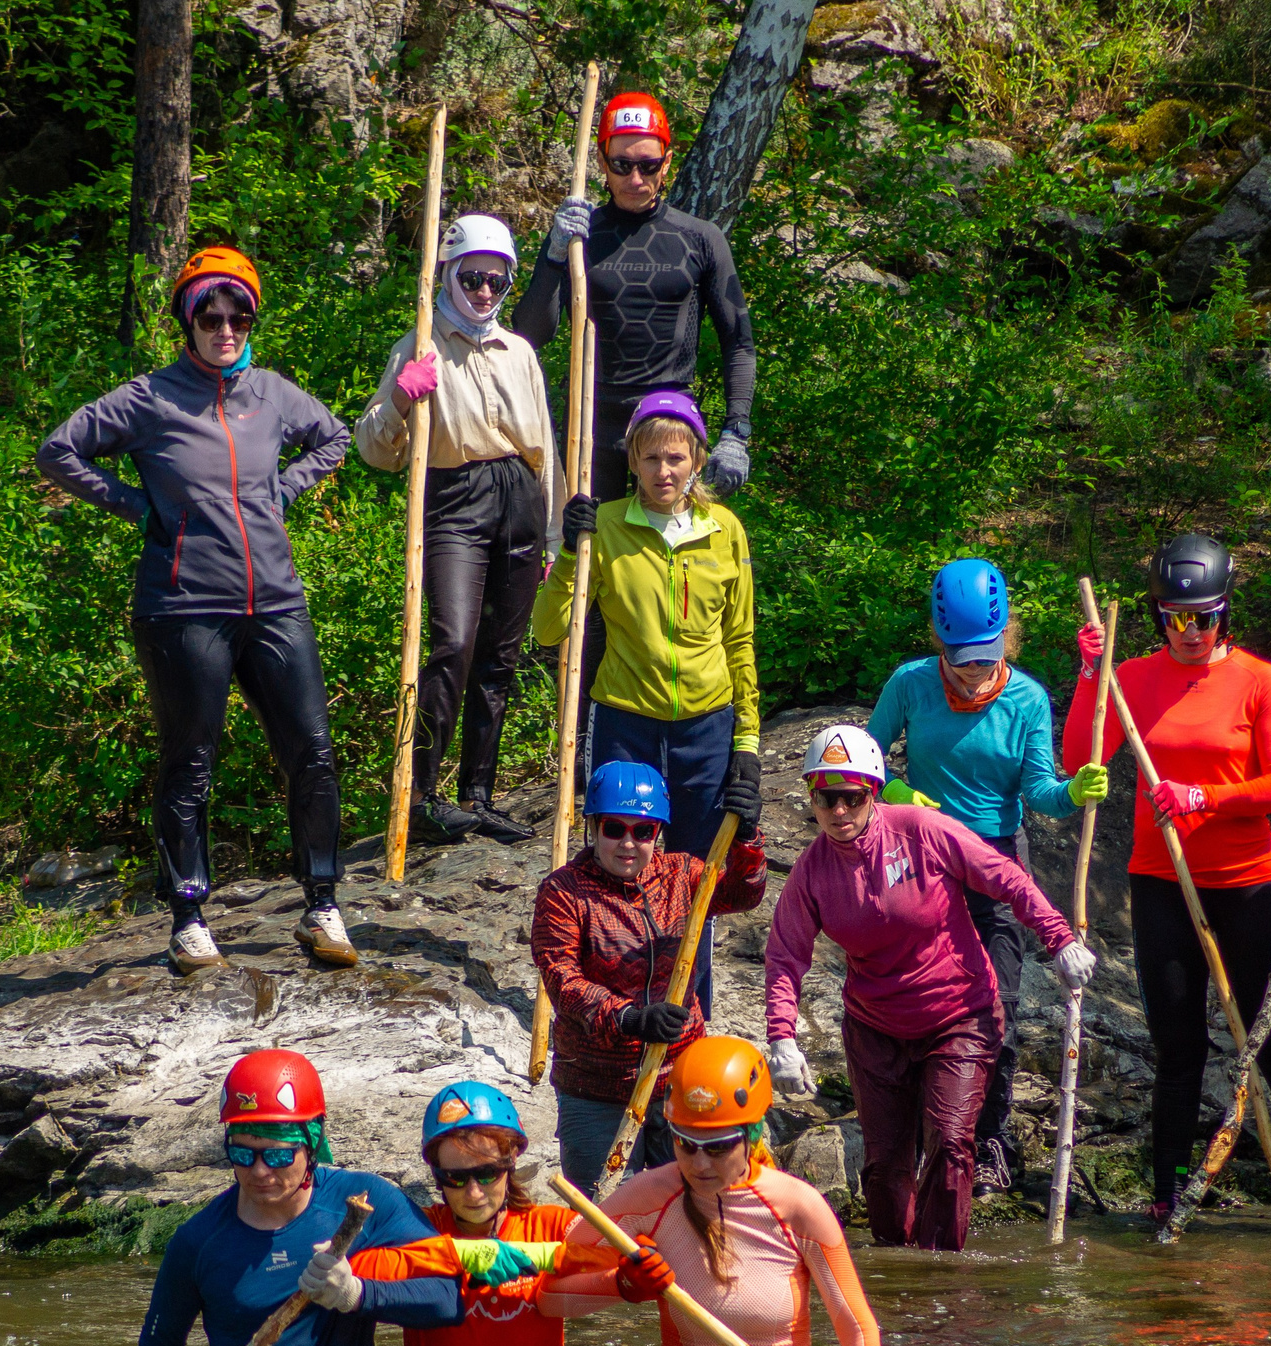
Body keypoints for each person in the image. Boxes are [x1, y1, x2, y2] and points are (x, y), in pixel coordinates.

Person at [38, 247, 355, 976]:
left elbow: (334, 437)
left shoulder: (273, 393)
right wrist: (135, 504)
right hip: (181, 606)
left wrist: (284, 489)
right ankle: (187, 915)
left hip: (275, 600)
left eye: (239, 314)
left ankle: (322, 904)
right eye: (210, 314)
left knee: (313, 754)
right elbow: (59, 449)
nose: (225, 327)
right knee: (191, 764)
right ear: (187, 319)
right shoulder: (149, 398)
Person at [1062, 535, 1271, 1224]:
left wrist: (1203, 798)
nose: (1190, 632)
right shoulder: (1132, 676)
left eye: (1205, 617)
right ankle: (1172, 1188)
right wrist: (1090, 677)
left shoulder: (1258, 680)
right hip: (1162, 882)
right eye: (1176, 618)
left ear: (1226, 612)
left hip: (1249, 882)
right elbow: (1079, 756)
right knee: (1179, 1047)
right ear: (1158, 617)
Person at [764, 725, 1094, 1250]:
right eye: (826, 798)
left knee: (949, 1144)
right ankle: (897, 1282)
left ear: (873, 793)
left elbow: (1006, 877)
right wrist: (781, 1037)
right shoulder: (811, 872)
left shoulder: (923, 830)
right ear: (813, 799)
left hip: (960, 1015)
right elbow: (785, 956)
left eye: (851, 797)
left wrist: (1059, 939)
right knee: (884, 1172)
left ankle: (939, 1278)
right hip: (875, 1029)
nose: (839, 811)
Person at [543, 1037, 887, 1346]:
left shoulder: (799, 1208)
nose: (699, 1163)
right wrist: (623, 1284)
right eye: (685, 1144)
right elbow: (548, 1298)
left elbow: (856, 1326)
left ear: (754, 1134)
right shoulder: (650, 1196)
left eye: (719, 1146)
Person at [867, 558, 1108, 1197]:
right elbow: (860, 761)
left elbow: (1039, 793)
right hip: (921, 858)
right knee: (922, 998)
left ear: (1008, 639)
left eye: (986, 657)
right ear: (937, 644)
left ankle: (988, 1138)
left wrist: (1073, 791)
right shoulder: (910, 685)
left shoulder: (1027, 697)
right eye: (962, 659)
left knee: (996, 1004)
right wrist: (894, 791)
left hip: (998, 860)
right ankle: (922, 1133)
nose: (975, 674)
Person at [129, 1049, 460, 1346]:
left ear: (314, 1142)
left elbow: (448, 1298)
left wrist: (358, 1295)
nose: (260, 1171)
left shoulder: (368, 1203)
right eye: (242, 1156)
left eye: (280, 1156)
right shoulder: (199, 1239)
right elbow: (160, 1345)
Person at [534, 390, 760, 1014]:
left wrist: (747, 746)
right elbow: (549, 631)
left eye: (678, 458)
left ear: (698, 461)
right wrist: (565, 554)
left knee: (696, 881)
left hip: (707, 727)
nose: (666, 471)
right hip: (626, 721)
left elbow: (740, 642)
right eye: (653, 457)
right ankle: (613, 1013)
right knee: (618, 872)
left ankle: (691, 1018)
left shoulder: (726, 532)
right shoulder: (604, 525)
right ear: (632, 459)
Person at [355, 214, 558, 847]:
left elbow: (545, 447)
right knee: (453, 642)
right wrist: (399, 401)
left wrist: (551, 532)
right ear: (448, 273)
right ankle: (419, 794)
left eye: (497, 280)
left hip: (519, 498)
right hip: (455, 499)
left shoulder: (519, 351)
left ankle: (479, 792)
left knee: (501, 653)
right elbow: (372, 450)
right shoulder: (418, 346)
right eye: (472, 277)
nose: (484, 291)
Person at [396, 1080, 673, 1346]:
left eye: (487, 1173)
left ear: (510, 1164)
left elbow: (625, 1245)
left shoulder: (550, 1226)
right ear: (436, 1176)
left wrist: (630, 1283)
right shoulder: (416, 1231)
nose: (473, 1193)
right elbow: (362, 1262)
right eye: (455, 1178)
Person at [531, 760, 768, 1192]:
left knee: (693, 1211)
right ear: (593, 827)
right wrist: (630, 1019)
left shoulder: (681, 873)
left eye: (642, 831)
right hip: (595, 1088)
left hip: (681, 1082)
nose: (628, 843)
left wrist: (748, 839)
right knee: (603, 1220)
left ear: (657, 833)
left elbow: (743, 892)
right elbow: (562, 978)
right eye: (614, 829)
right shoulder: (562, 892)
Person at [520, 91, 755, 505]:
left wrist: (736, 433)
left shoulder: (700, 238)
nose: (635, 179)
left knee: (669, 553)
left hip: (670, 421)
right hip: (590, 423)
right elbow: (530, 335)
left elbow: (738, 340)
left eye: (648, 166)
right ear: (601, 162)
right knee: (587, 557)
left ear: (667, 163)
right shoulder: (578, 235)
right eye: (622, 164)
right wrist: (556, 253)